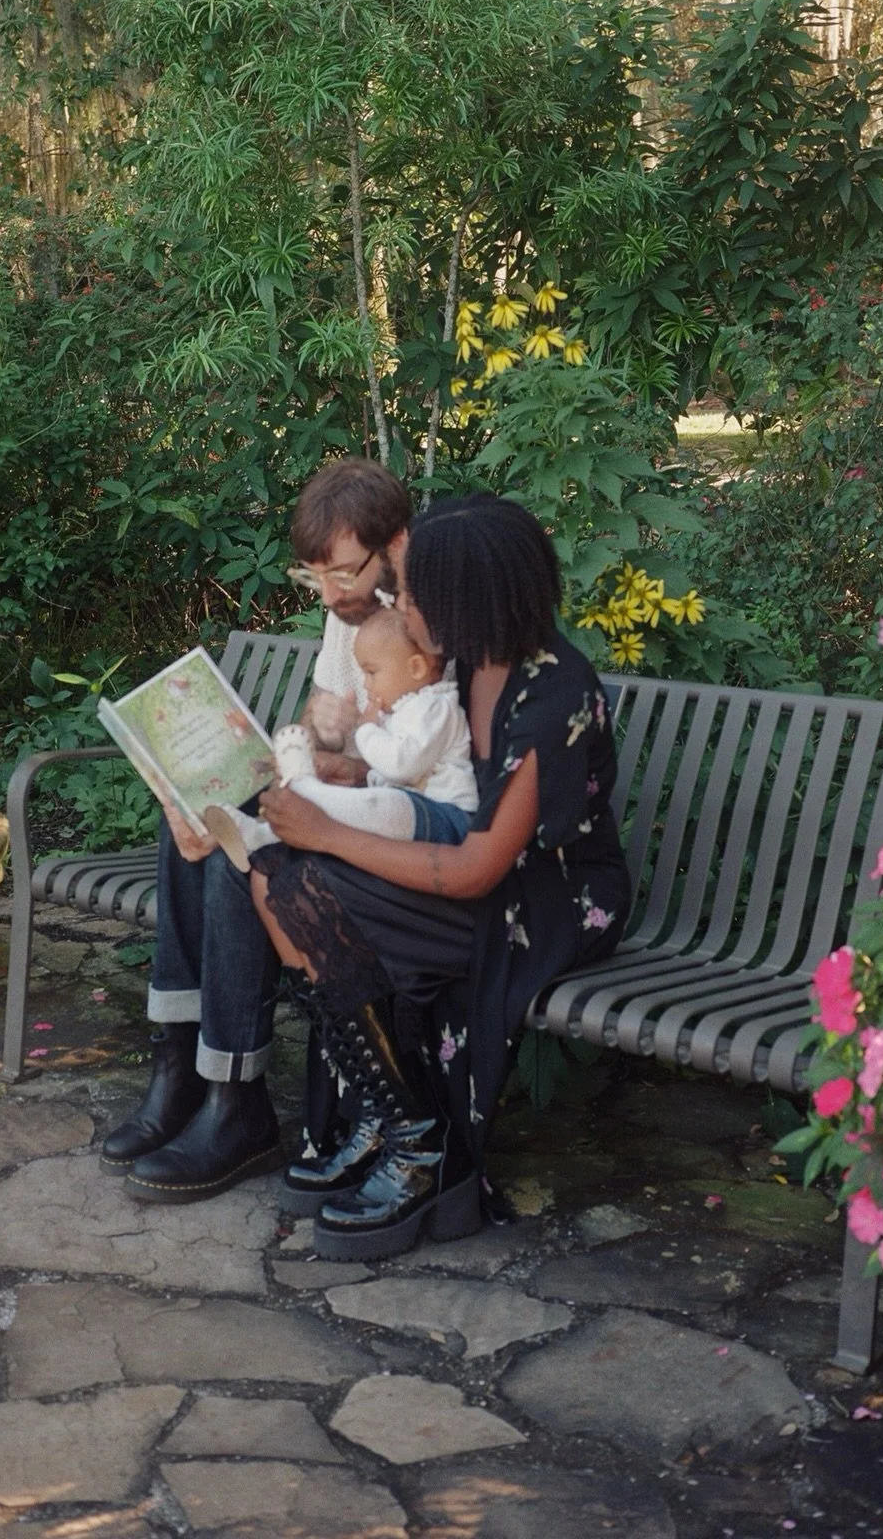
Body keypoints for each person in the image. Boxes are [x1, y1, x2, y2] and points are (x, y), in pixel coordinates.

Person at [249, 493, 633, 1261]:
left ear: (469, 602)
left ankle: (421, 1147)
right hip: (469, 864)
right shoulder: (465, 662)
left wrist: (329, 832)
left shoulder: (550, 697)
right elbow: (428, 772)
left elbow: (476, 870)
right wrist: (349, 777)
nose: (400, 605)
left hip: (541, 898)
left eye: (416, 596)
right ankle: (396, 1120)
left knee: (301, 885)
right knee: (275, 876)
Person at [102, 457, 412, 1204]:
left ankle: (237, 1099)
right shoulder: (349, 613)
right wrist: (321, 735)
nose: (331, 595)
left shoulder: (429, 620)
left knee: (241, 854)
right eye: (316, 578)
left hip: (386, 837)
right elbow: (319, 730)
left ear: (396, 544)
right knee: (198, 809)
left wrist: (348, 754)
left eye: (343, 574)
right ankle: (183, 1068)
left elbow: (425, 776)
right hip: (338, 805)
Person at [206, 606, 478, 868]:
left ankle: (305, 786)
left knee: (383, 805)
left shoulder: (436, 708)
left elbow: (400, 765)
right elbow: (392, 775)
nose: (365, 685)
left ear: (416, 668)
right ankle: (258, 835)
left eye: (372, 673)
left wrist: (365, 729)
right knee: (365, 806)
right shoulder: (404, 709)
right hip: (414, 810)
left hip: (447, 817)